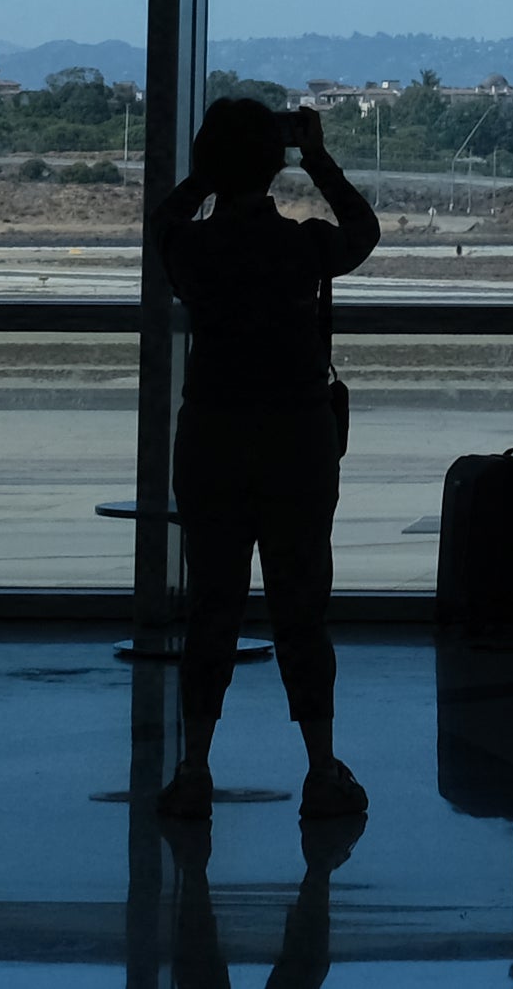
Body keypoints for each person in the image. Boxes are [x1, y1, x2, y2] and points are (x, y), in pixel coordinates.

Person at [153, 94, 379, 824]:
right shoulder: (302, 247)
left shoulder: (192, 248)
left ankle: (193, 766)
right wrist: (314, 158)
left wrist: (207, 173)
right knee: (301, 609)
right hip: (296, 437)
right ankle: (321, 768)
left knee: (212, 605)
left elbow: (163, 222)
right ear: (273, 164)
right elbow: (364, 229)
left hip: (213, 433)